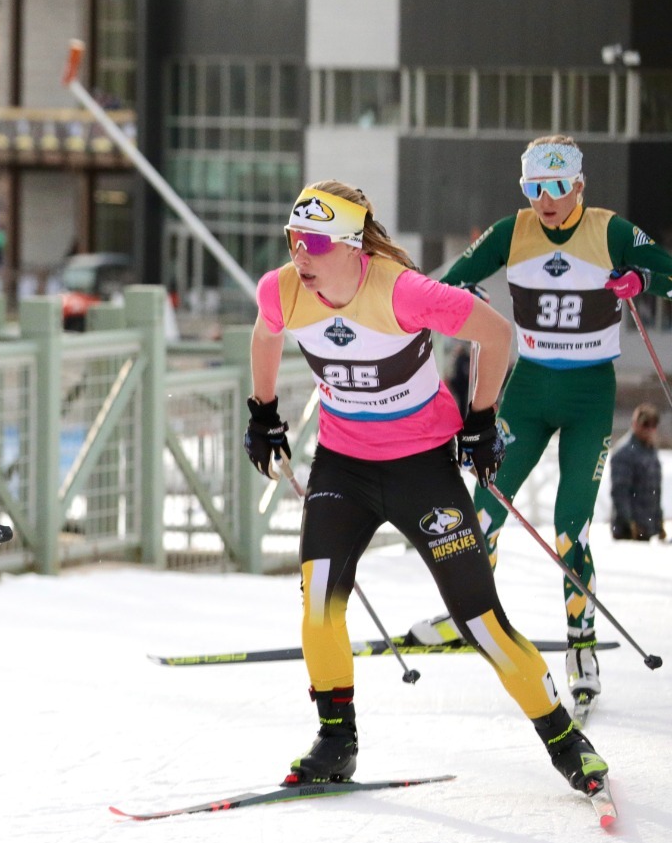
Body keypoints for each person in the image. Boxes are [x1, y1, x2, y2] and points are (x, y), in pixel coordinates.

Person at [244, 181, 608, 799]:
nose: (298, 256)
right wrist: (263, 411)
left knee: (480, 621)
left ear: (352, 245)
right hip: (343, 467)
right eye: (291, 240)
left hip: (422, 469)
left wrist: (483, 418)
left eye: (312, 243)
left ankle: (565, 742)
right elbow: (265, 333)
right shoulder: (281, 290)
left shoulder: (401, 290)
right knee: (318, 603)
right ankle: (336, 741)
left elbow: (495, 335)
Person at [438, 136, 672, 713]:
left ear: (579, 185)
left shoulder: (610, 230)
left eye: (556, 186)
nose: (545, 200)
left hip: (590, 394)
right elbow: (448, 282)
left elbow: (668, 273)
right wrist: (461, 295)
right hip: (528, 390)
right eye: (533, 187)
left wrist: (640, 280)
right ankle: (472, 620)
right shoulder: (512, 231)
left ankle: (581, 646)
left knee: (572, 529)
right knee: (482, 511)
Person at [608, 404, 663, 541]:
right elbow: (620, 492)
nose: (649, 429)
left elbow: (655, 491)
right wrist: (630, 523)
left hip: (646, 531)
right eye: (645, 424)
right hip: (628, 533)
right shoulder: (624, 452)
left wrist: (658, 522)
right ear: (635, 424)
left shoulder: (650, 451)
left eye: (653, 424)